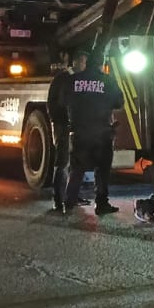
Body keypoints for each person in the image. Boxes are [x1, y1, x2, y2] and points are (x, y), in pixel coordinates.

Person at [60, 47, 123, 215]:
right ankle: (101, 204)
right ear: (101, 64)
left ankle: (69, 202)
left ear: (87, 63)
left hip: (80, 132)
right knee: (102, 170)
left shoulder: (73, 80)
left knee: (77, 169)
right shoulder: (107, 81)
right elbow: (119, 102)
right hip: (102, 133)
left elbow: (63, 101)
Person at [44, 53, 75, 213]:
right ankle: (58, 199)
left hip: (69, 125)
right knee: (63, 162)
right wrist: (65, 122)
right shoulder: (64, 79)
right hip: (63, 125)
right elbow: (60, 104)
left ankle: (70, 196)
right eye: (81, 61)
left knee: (73, 163)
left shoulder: (71, 79)